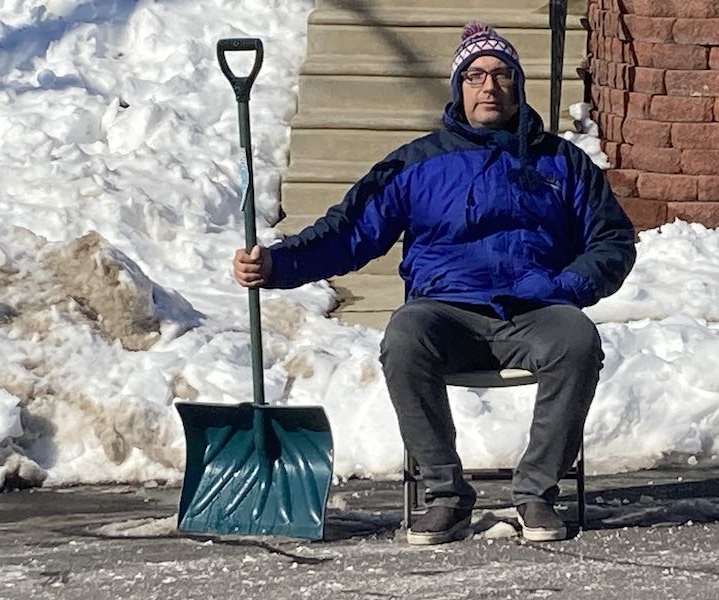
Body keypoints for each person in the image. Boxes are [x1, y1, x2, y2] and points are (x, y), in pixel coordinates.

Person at [233, 22, 636, 545]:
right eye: (474, 76)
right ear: (457, 88)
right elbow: (351, 231)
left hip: (535, 308)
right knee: (404, 336)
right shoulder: (417, 163)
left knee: (577, 340)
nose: (488, 86)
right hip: (445, 311)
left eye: (500, 75)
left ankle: (536, 492)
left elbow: (612, 240)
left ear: (517, 85)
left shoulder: (563, 163)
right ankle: (445, 495)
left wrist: (568, 288)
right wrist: (278, 266)